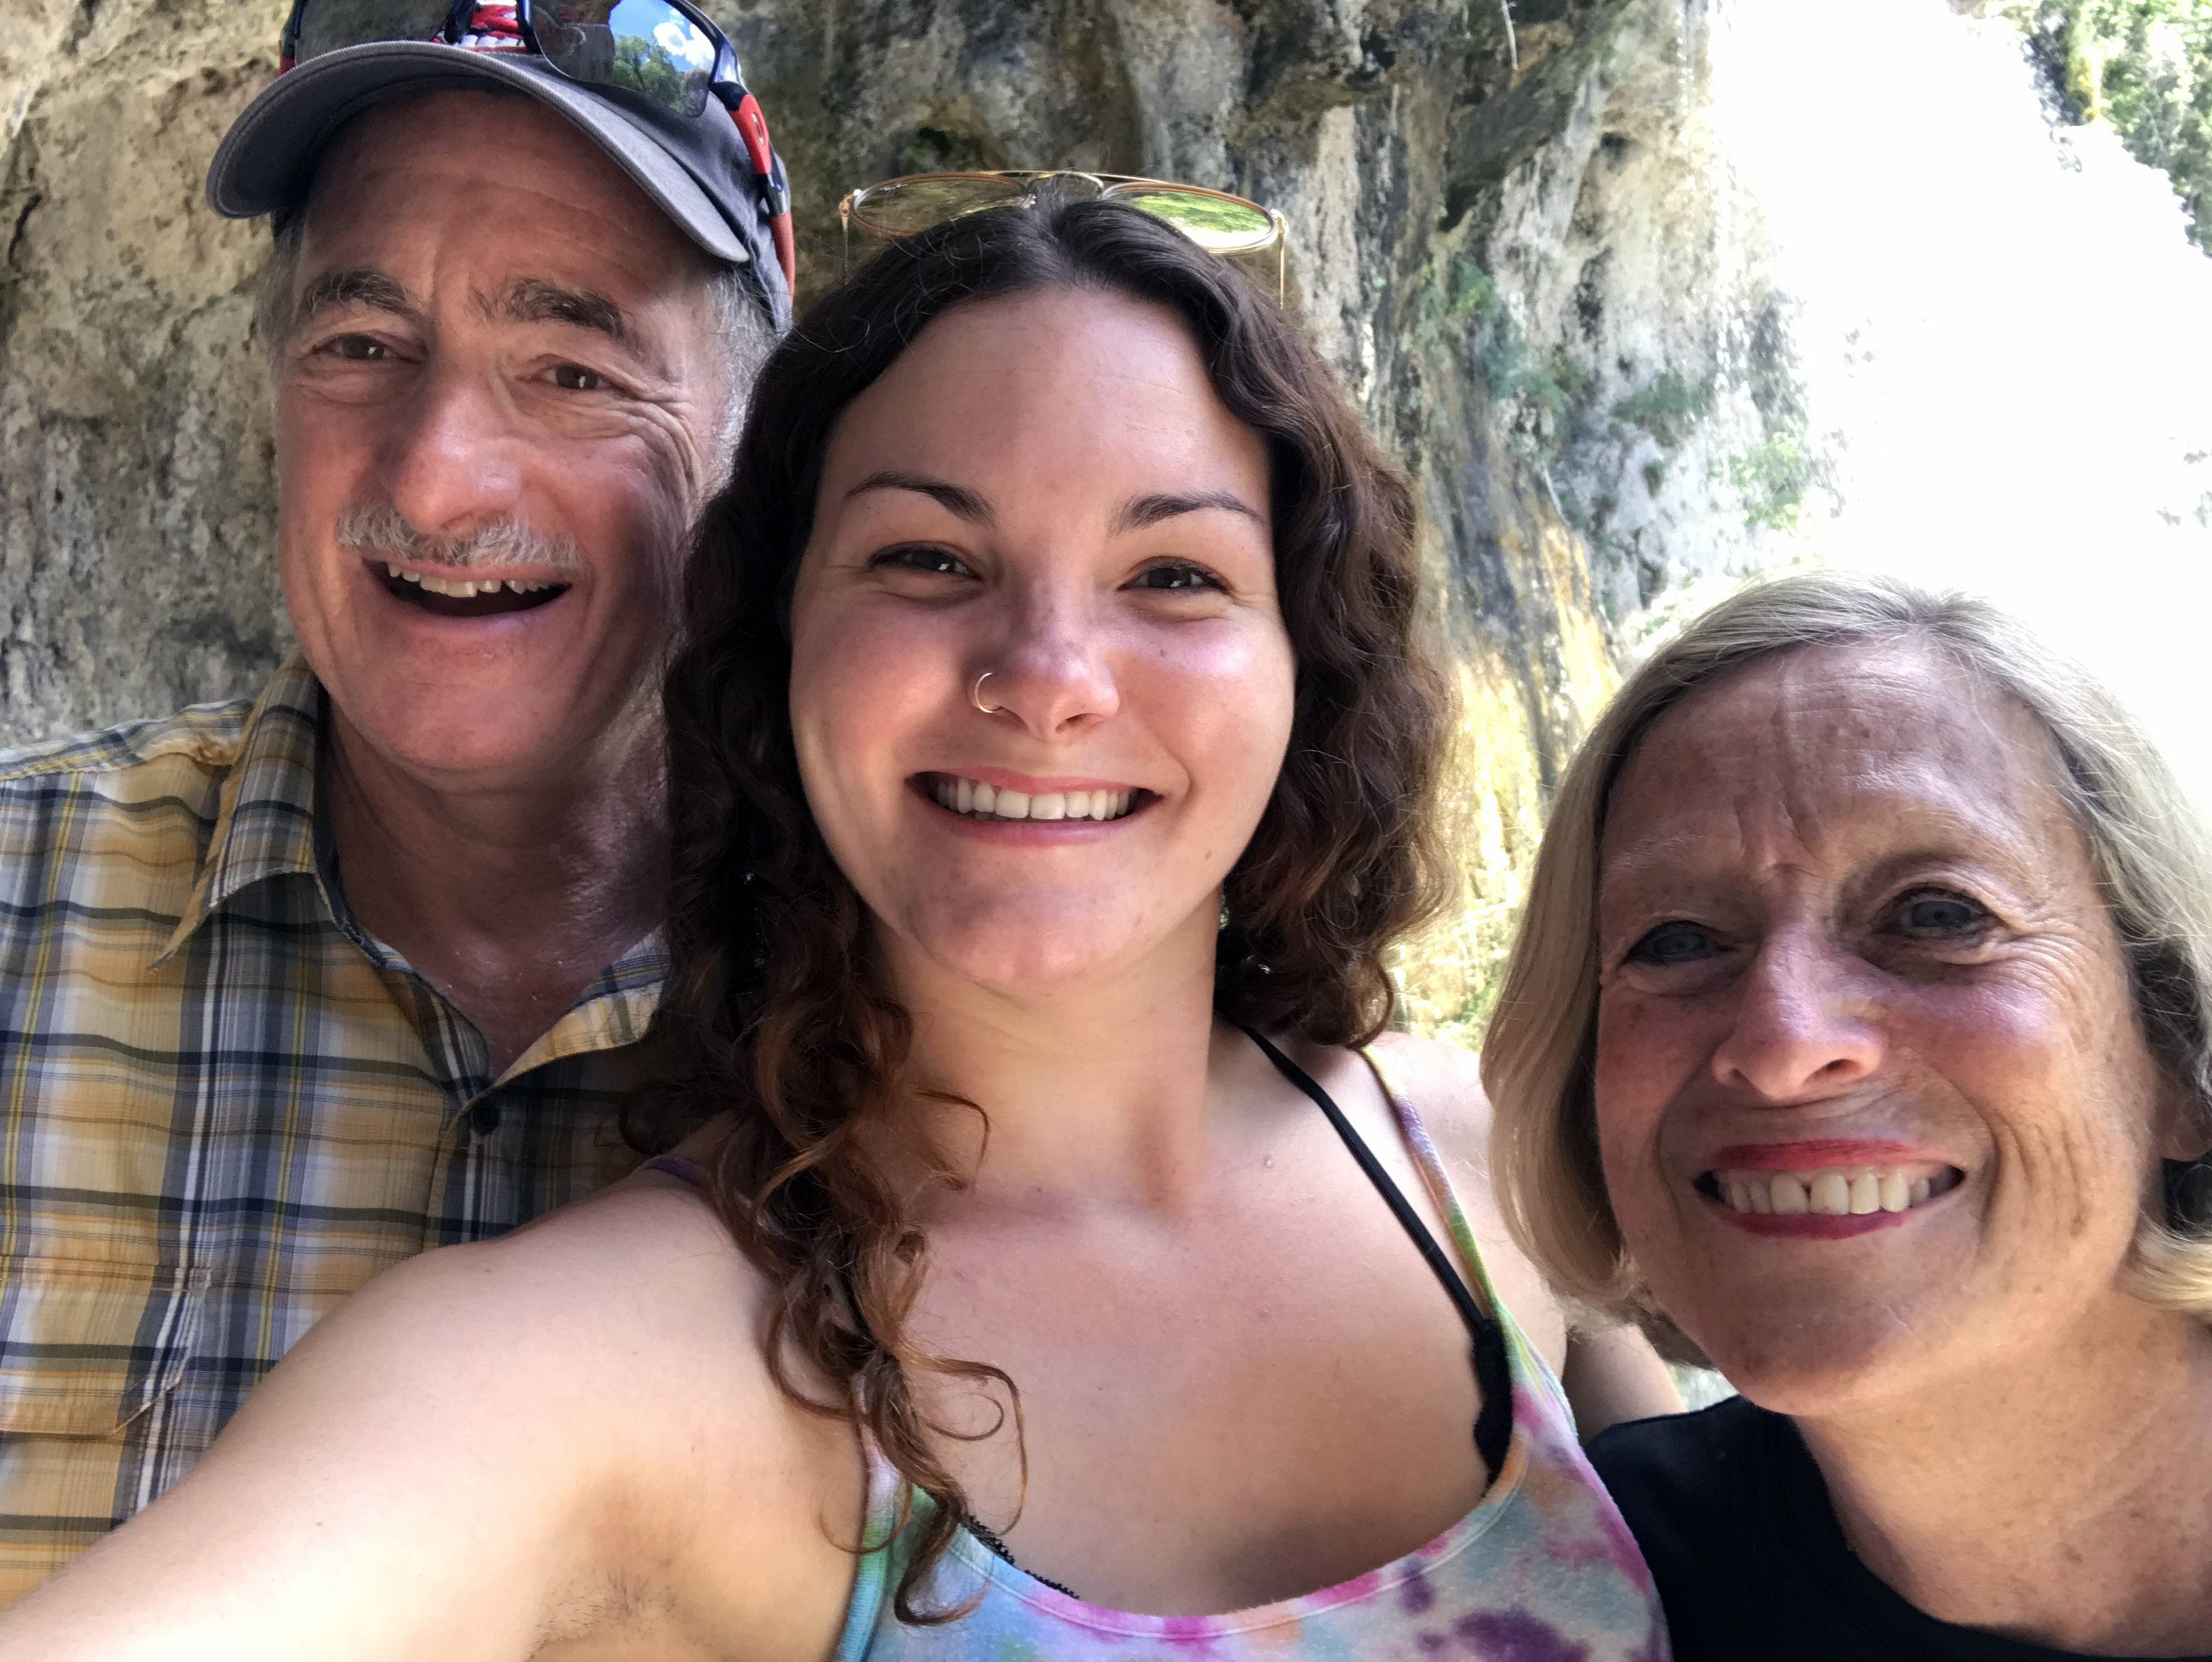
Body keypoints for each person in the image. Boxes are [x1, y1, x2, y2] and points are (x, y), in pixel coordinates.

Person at [0, 185, 1678, 1659]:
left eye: (1173, 575)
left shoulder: (1498, 1174)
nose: (1046, 677)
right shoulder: (593, 1354)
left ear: (1303, 660)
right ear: (772, 643)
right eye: (927, 559)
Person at [0, 1, 792, 1602]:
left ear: (762, 442)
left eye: (571, 366)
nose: (435, 476)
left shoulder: (931, 1023)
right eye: (360, 347)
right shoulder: (19, 914)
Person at [1482, 572, 2212, 1660]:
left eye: (1936, 915)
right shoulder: (1586, 1604)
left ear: (2176, 1055)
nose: (1782, 1046)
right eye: (1677, 941)